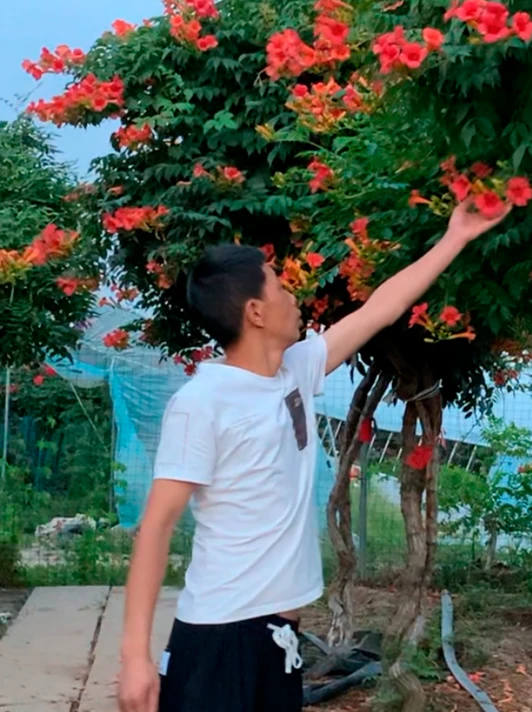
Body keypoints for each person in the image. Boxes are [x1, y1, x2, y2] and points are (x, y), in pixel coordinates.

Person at [116, 200, 506, 712]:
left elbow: (379, 310)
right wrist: (134, 658)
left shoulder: (293, 371)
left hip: (277, 639)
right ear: (255, 312)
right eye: (279, 286)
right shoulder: (201, 404)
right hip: (220, 640)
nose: (293, 294)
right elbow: (157, 526)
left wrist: (456, 236)